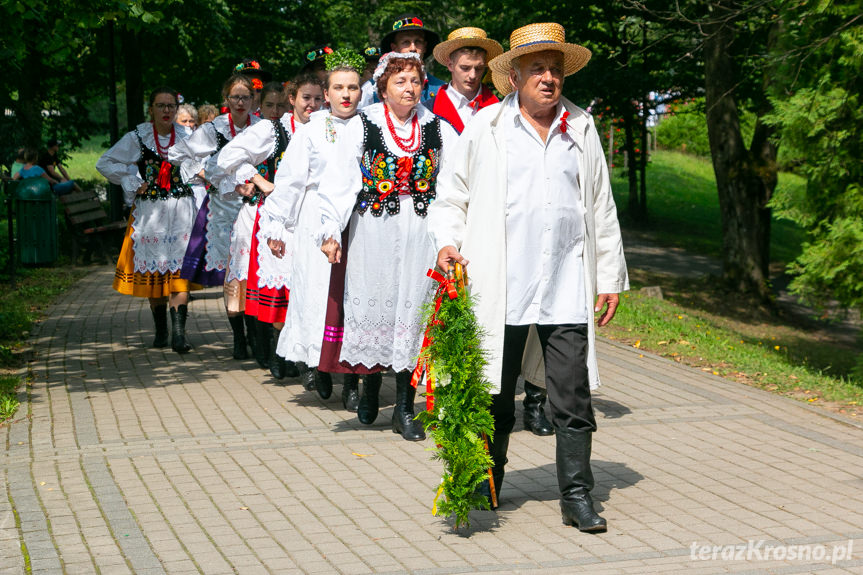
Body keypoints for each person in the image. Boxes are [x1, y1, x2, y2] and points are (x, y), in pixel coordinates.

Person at [428, 23, 629, 531]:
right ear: (513, 76)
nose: (548, 78)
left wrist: (609, 277)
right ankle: (487, 481)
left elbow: (601, 208)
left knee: (572, 396)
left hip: (565, 284)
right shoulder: (485, 128)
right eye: (537, 69)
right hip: (502, 284)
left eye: (555, 70)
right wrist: (448, 242)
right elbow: (451, 195)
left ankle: (577, 496)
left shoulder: (581, 129)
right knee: (495, 393)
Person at [317, 52, 459, 440]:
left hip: (421, 233)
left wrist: (452, 237)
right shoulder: (362, 127)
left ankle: (404, 409)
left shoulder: (438, 129)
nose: (409, 88)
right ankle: (371, 389)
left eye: (415, 81)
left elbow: (454, 187)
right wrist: (330, 231)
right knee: (376, 304)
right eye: (400, 81)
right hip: (373, 233)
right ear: (382, 87)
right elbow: (339, 183)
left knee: (414, 313)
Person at [259, 49, 375, 411]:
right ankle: (319, 365)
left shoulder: (370, 125)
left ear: (361, 90)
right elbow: (291, 179)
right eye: (338, 87)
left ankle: (353, 377)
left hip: (360, 218)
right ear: (326, 93)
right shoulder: (311, 130)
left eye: (353, 88)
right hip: (314, 216)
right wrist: (277, 223)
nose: (345, 95)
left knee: (354, 296)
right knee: (318, 294)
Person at [216, 75, 322, 378]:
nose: (312, 105)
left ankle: (307, 359)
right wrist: (261, 181)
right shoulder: (273, 129)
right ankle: (279, 352)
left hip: (313, 217)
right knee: (282, 289)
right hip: (279, 219)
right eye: (306, 98)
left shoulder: (328, 128)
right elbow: (228, 156)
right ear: (293, 99)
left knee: (310, 286)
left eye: (317, 99)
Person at [96, 87, 199, 353]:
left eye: (171, 106)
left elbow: (206, 164)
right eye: (161, 106)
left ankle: (179, 333)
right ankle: (161, 329)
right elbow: (105, 163)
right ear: (151, 109)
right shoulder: (137, 137)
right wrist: (132, 180)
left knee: (179, 272)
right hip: (150, 213)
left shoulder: (188, 136)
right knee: (154, 274)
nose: (166, 111)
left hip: (180, 213)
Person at [170, 74, 260, 355]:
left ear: (253, 100)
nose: (241, 102)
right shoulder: (215, 128)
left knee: (254, 271)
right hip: (223, 207)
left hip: (258, 206)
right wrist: (206, 176)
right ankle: (238, 337)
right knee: (231, 273)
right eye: (235, 97)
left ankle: (257, 335)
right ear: (227, 100)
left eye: (246, 97)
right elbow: (178, 153)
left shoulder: (262, 127)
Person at [358, 13, 444, 108]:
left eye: (418, 42)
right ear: (394, 48)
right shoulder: (371, 89)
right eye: (406, 42)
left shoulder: (441, 88)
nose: (413, 48)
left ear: (425, 47)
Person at [426, 27, 501, 133]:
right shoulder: (427, 110)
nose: (473, 75)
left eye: (479, 68)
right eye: (465, 68)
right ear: (450, 65)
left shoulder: (500, 108)